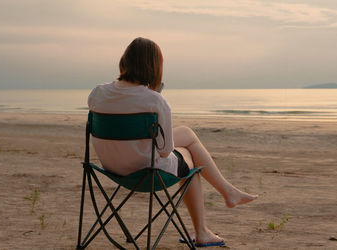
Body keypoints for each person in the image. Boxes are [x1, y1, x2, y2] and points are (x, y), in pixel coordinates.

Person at [88, 37, 257, 247]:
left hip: (111, 168)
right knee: (191, 161)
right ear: (154, 66)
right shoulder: (155, 101)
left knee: (186, 134)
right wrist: (155, 98)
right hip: (147, 171)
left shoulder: (97, 93)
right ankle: (206, 225)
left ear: (125, 61)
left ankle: (227, 193)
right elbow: (166, 150)